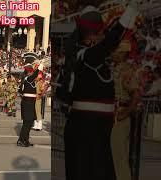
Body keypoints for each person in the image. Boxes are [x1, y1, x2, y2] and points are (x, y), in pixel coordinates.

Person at [63, 1, 140, 180]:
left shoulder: (86, 56)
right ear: (94, 35)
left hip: (93, 129)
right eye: (101, 33)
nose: (103, 37)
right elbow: (111, 41)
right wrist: (129, 13)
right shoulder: (86, 55)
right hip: (88, 131)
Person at [111, 39, 140, 180]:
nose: (112, 53)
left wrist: (126, 112)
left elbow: (136, 94)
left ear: (122, 53)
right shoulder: (110, 67)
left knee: (119, 157)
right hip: (108, 114)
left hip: (119, 114)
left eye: (115, 50)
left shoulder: (128, 70)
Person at [17, 63, 44, 147]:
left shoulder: (27, 80)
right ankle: (21, 140)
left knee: (29, 122)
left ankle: (26, 140)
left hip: (29, 103)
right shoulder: (28, 79)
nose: (33, 73)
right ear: (29, 72)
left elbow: (20, 92)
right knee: (27, 123)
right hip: (28, 103)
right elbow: (34, 75)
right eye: (32, 72)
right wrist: (39, 69)